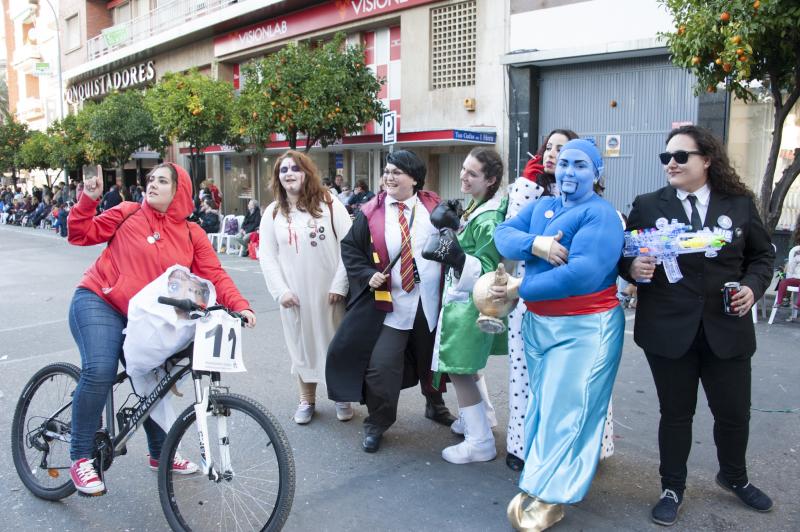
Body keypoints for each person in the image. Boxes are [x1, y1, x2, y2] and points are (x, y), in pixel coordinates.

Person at [66, 162, 256, 496]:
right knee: (100, 369)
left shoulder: (191, 233)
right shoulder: (126, 213)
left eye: (162, 180)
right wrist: (88, 201)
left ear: (179, 191)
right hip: (100, 302)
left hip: (148, 318)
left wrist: (239, 305)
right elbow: (79, 234)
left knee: (157, 380)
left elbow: (215, 274)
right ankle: (80, 457)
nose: (152, 184)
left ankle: (160, 454)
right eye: (150, 179)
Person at [621, 125, 774, 526]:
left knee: (734, 413)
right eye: (666, 157)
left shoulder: (739, 203)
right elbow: (625, 253)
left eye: (681, 156)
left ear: (707, 159)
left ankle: (734, 477)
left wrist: (752, 289)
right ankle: (672, 487)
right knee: (676, 413)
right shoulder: (648, 204)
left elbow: (762, 258)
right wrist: (632, 268)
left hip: (728, 327)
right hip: (669, 330)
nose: (671, 163)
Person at [494, 139, 625, 531]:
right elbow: (503, 234)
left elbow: (582, 273)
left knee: (567, 413)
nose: (569, 172)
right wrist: (537, 243)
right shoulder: (544, 206)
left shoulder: (600, 215)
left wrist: (520, 287)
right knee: (544, 409)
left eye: (581, 165)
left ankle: (552, 495)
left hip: (585, 327)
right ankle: (540, 483)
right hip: (540, 325)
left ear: (597, 173)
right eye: (564, 163)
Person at [326, 149, 456, 454]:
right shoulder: (371, 211)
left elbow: (453, 242)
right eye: (386, 171)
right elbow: (351, 250)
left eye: (397, 172)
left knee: (432, 357)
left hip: (429, 299)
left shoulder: (433, 206)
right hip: (391, 303)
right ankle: (377, 422)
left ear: (414, 178)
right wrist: (367, 273)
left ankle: (434, 403)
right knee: (381, 364)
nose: (389, 177)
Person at [422, 147, 506, 464]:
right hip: (462, 301)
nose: (463, 176)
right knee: (468, 369)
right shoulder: (478, 208)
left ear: (491, 179)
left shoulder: (489, 218)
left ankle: (480, 441)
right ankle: (480, 418)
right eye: (463, 169)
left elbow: (488, 271)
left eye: (473, 173)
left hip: (470, 303)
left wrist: (457, 254)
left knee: (459, 371)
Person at [259, 151, 355, 424]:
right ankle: (306, 399)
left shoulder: (329, 204)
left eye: (295, 169)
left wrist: (340, 283)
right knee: (300, 345)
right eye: (283, 170)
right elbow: (267, 256)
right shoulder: (273, 213)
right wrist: (281, 291)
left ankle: (341, 395)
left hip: (330, 293)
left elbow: (349, 246)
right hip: (294, 295)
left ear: (306, 173)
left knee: (335, 343)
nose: (289, 174)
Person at [504, 128, 578, 472]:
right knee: (523, 375)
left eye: (561, 149)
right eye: (548, 147)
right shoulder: (528, 190)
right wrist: (527, 186)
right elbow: (508, 234)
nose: (551, 154)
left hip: (569, 300)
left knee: (570, 380)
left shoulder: (582, 198)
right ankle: (521, 445)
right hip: (526, 291)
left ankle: (579, 444)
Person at [773, 219, 800, 317]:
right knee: (787, 267)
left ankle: (794, 302)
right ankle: (785, 297)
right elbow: (791, 250)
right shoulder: (797, 232)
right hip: (794, 258)